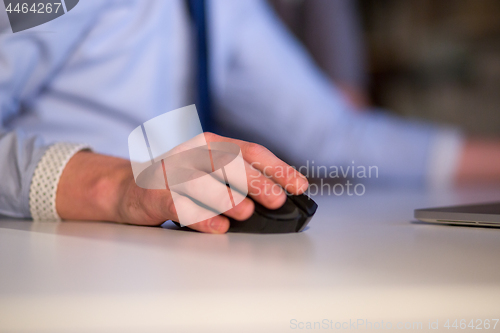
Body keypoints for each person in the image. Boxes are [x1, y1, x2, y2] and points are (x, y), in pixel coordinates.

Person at [0, 0, 499, 234]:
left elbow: (332, 131)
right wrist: (114, 187)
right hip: (46, 254)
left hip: (168, 258)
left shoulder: (225, 7)